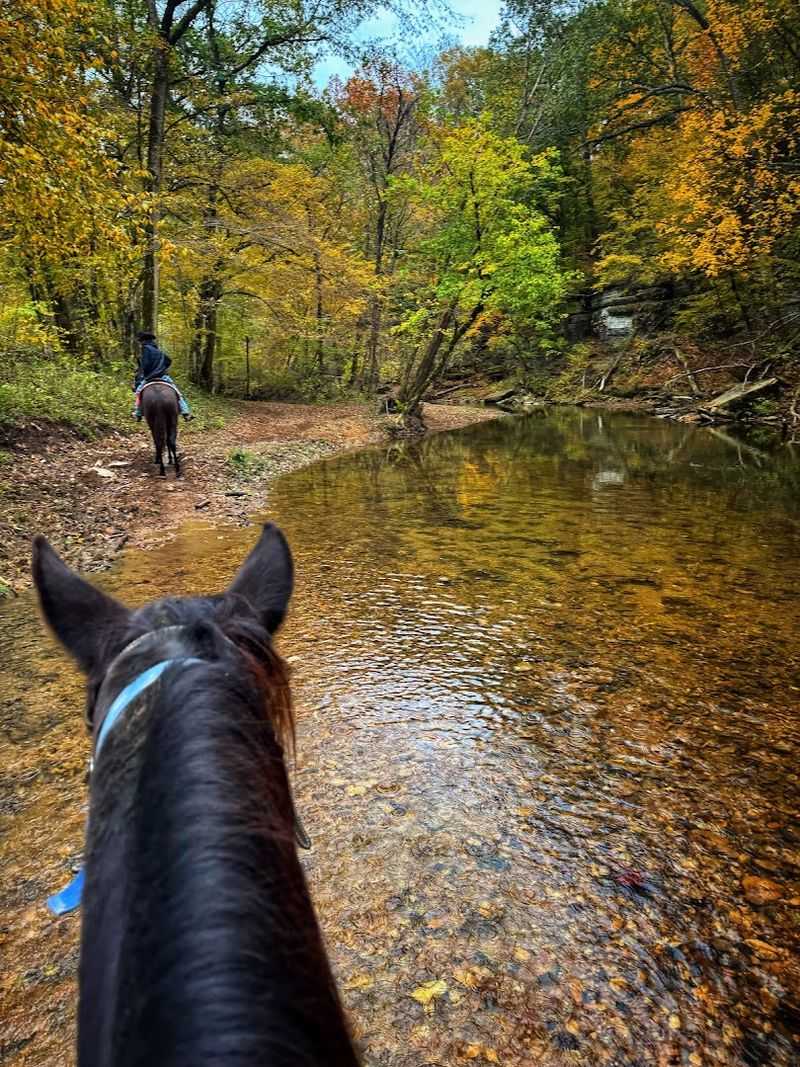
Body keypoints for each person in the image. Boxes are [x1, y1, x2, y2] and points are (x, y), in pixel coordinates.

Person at [132, 331, 193, 420]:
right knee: (177, 393)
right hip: (163, 376)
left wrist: (142, 373)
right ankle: (186, 412)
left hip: (150, 377)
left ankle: (138, 413)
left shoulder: (145, 349)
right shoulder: (159, 351)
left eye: (140, 341)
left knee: (138, 392)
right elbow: (169, 361)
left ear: (143, 341)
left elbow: (145, 364)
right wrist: (162, 367)